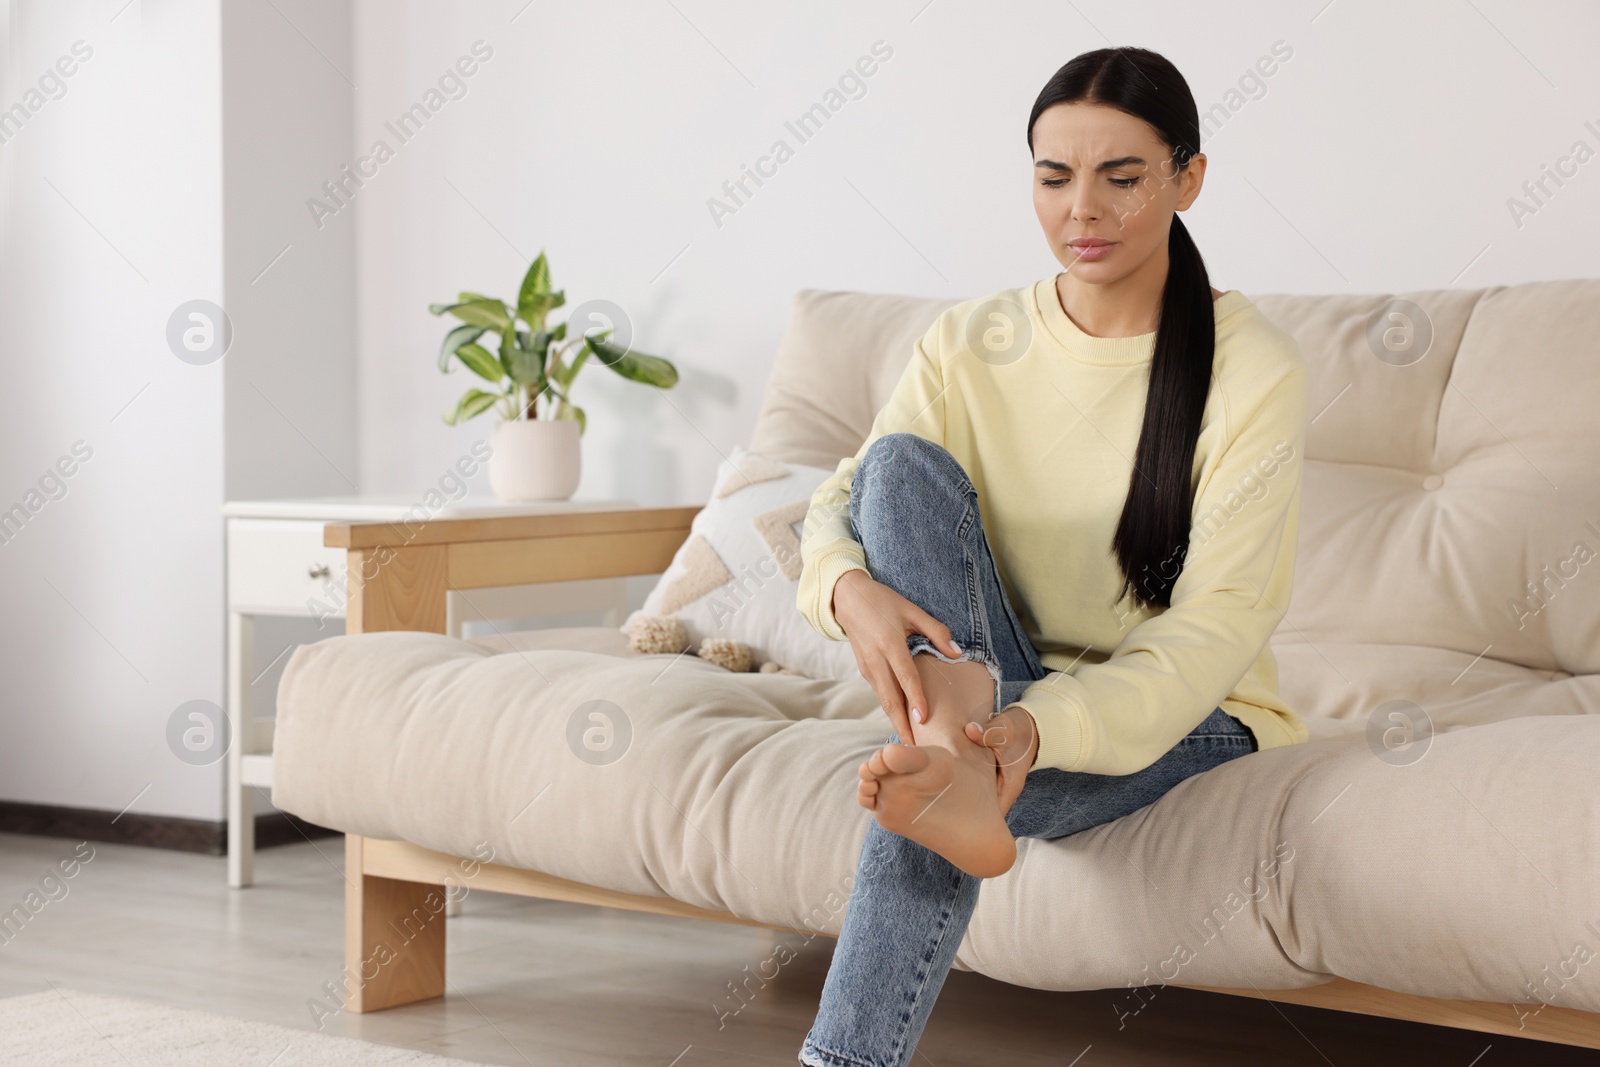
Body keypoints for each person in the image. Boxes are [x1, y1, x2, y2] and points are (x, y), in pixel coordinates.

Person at [792, 46, 1312, 1067]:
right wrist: (842, 589)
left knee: (931, 782)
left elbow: (1213, 630)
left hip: (1186, 713)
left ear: (1187, 178)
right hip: (988, 686)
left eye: (1122, 178)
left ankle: (849, 1039)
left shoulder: (1253, 368)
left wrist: (1029, 727)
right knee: (895, 469)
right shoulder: (969, 337)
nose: (1085, 210)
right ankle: (958, 766)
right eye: (1053, 177)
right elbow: (839, 501)